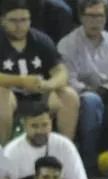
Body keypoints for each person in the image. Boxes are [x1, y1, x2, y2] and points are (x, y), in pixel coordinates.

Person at [56, 0, 108, 172]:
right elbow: (68, 79)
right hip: (82, 96)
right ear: (81, 17)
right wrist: (90, 90)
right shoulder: (67, 44)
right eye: (90, 16)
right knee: (92, 101)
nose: (95, 21)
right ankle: (89, 162)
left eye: (99, 16)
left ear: (106, 18)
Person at [0, 0, 79, 143]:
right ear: (2, 21)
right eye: (13, 21)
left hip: (39, 94)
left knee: (69, 96)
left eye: (24, 20)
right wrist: (22, 81)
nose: (19, 26)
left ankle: (64, 148)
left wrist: (47, 85)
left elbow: (61, 72)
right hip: (10, 96)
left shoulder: (41, 40)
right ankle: (3, 150)